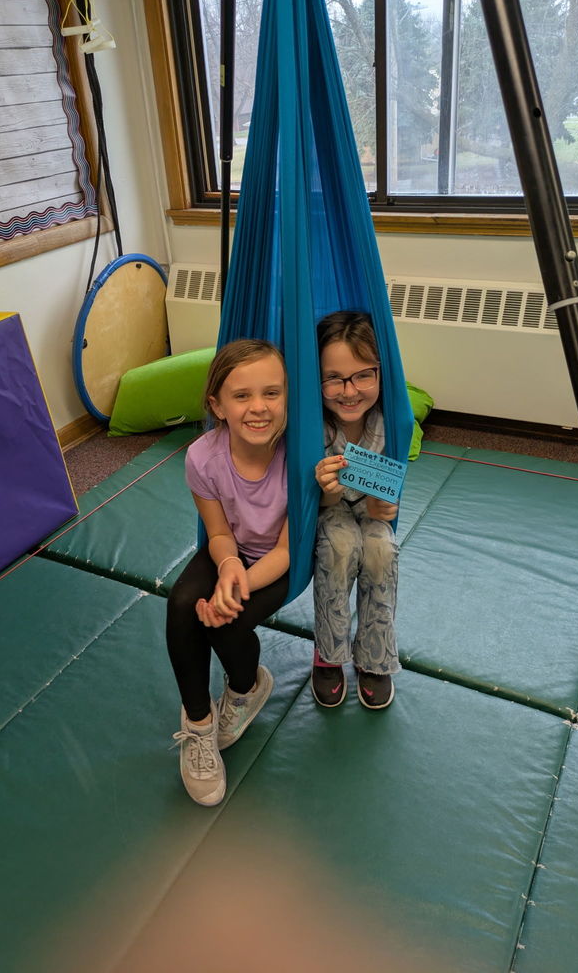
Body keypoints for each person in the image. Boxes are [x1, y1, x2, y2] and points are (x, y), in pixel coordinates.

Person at [166, 340, 289, 806]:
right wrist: (229, 567)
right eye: (241, 396)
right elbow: (218, 533)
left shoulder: (299, 453)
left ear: (287, 397)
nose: (258, 408)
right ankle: (198, 724)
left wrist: (235, 592)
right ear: (217, 405)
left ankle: (245, 687)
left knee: (228, 620)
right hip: (232, 551)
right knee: (182, 605)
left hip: (281, 559)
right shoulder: (202, 457)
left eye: (272, 393)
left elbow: (288, 549)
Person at [312, 311, 400, 710]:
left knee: (381, 551)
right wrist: (326, 492)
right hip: (330, 510)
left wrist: (385, 507)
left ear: (381, 375)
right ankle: (329, 653)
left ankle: (374, 655)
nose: (349, 390)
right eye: (333, 378)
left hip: (369, 513)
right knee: (339, 547)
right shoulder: (316, 427)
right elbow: (320, 502)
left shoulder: (389, 423)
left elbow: (385, 504)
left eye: (363, 375)